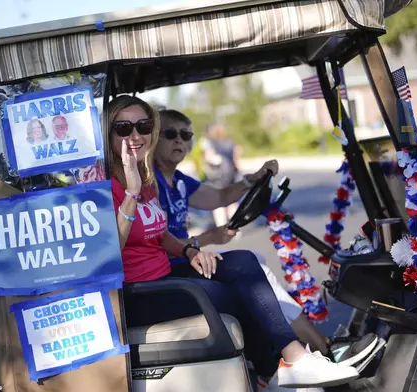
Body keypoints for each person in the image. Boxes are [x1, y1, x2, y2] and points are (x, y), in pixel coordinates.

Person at [107, 95, 359, 390]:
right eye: (124, 128)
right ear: (108, 132)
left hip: (165, 273)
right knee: (234, 292)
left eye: (143, 125)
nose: (135, 135)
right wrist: (132, 193)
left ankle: (293, 360)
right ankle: (279, 366)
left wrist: (189, 250)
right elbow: (111, 250)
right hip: (140, 293)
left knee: (244, 262)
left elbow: (160, 234)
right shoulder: (107, 184)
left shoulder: (145, 176)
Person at [154, 108, 379, 366]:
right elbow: (158, 243)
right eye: (170, 134)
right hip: (173, 269)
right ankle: (314, 350)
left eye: (186, 135)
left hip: (187, 262)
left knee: (256, 263)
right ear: (153, 139)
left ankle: (314, 349)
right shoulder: (152, 184)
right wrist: (207, 238)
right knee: (249, 264)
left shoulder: (179, 181)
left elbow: (219, 197)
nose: (179, 141)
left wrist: (252, 180)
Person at [201, 123, 241, 227]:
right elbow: (236, 159)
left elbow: (209, 158)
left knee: (218, 203)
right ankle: (234, 226)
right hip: (230, 175)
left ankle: (223, 228)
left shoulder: (210, 143)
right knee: (232, 201)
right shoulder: (230, 143)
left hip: (217, 177)